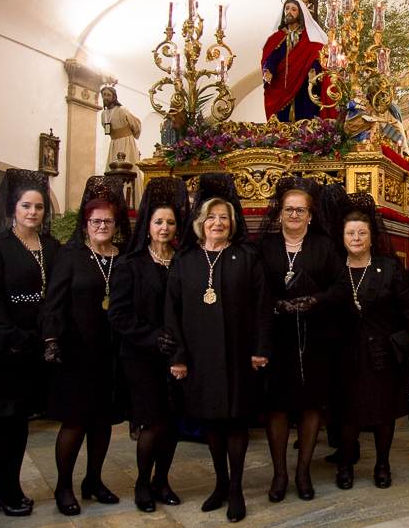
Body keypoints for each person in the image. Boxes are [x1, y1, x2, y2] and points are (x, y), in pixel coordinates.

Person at [165, 173, 272, 522]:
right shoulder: (185, 260)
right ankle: (221, 483)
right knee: (211, 421)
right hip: (199, 356)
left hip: (240, 354)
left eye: (224, 217)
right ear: (200, 222)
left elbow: (261, 305)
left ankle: (238, 488)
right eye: (211, 217)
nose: (218, 223)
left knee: (236, 421)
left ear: (233, 222)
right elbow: (172, 311)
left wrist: (260, 348)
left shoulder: (247, 256)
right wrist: (178, 355)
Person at [323, 190, 409, 490]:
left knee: (384, 412)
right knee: (347, 414)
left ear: (371, 237)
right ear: (342, 237)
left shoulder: (389, 268)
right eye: (350, 232)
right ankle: (345, 464)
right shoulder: (333, 270)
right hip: (344, 355)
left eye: (362, 233)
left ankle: (382, 464)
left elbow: (408, 306)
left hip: (383, 354)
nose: (356, 238)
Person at [254, 178, 348, 502]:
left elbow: (341, 288)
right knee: (277, 406)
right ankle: (280, 473)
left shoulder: (324, 245)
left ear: (311, 215)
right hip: (277, 336)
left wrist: (314, 301)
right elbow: (253, 290)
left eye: (301, 210)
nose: (294, 214)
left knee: (311, 405)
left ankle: (303, 471)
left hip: (316, 337)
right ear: (279, 213)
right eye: (288, 209)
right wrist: (276, 304)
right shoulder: (263, 246)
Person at [0, 169, 59, 516]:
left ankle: (13, 484)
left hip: (35, 347)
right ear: (13, 208)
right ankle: (2, 487)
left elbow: (55, 295)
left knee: (19, 419)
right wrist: (16, 337)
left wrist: (45, 336)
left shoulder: (51, 247)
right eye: (26, 206)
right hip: (2, 346)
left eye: (39, 207)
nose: (33, 212)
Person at [42, 176, 131, 516]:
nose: (102, 226)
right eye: (96, 221)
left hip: (112, 351)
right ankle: (64, 485)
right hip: (77, 349)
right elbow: (53, 302)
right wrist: (51, 340)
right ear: (86, 224)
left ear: (116, 223)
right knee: (75, 422)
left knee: (104, 420)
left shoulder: (122, 257)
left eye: (108, 221)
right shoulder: (71, 255)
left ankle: (93, 480)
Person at [107, 177, 190, 513]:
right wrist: (155, 337)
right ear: (147, 225)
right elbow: (119, 314)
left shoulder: (185, 261)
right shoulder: (130, 263)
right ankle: (143, 482)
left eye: (170, 222)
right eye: (159, 222)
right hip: (141, 355)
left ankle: (162, 480)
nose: (165, 227)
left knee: (172, 421)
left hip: (178, 355)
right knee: (153, 421)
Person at [260, 0, 337, 122]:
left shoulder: (310, 37)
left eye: (293, 9)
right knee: (281, 124)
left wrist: (313, 69)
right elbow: (271, 57)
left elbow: (317, 56)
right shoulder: (276, 38)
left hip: (303, 85)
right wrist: (268, 70)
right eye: (287, 8)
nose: (289, 12)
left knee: (305, 122)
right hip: (282, 88)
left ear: (300, 13)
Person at [100, 86, 142, 166]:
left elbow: (136, 124)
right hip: (113, 143)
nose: (106, 97)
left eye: (108, 95)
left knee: (126, 165)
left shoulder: (122, 110)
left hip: (126, 142)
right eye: (104, 95)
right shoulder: (103, 114)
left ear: (114, 98)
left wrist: (126, 133)